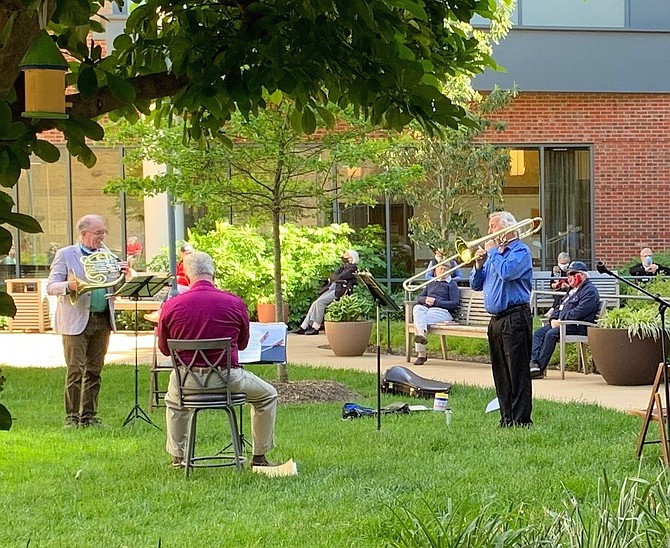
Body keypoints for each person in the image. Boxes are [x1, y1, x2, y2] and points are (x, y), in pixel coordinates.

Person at [157, 251, 278, 468]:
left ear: (186, 273)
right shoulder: (234, 303)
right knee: (268, 395)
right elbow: (241, 344)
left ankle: (178, 457)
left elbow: (165, 349)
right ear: (213, 272)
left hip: (187, 381)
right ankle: (259, 456)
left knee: (174, 400)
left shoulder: (171, 306)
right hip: (227, 379)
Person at [47, 214, 129, 428]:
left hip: (102, 318)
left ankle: (89, 416)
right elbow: (51, 286)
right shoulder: (66, 254)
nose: (102, 237)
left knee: (95, 370)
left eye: (104, 232)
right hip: (76, 319)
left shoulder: (107, 256)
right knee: (76, 370)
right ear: (84, 234)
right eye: (98, 232)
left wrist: (124, 275)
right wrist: (70, 286)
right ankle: (72, 418)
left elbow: (114, 287)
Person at [470, 211, 533, 427]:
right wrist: (478, 265)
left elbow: (507, 272)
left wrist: (492, 253)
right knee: (500, 371)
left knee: (517, 371)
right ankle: (506, 418)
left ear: (509, 228)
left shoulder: (521, 251)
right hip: (495, 320)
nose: (489, 232)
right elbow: (476, 285)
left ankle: (522, 420)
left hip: (515, 316)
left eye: (493, 226)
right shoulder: (494, 255)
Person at [529, 261, 600, 379]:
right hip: (562, 324)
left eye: (573, 274)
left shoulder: (589, 291)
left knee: (550, 335)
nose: (569, 277)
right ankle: (533, 364)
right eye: (568, 274)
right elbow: (559, 306)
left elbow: (580, 312)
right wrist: (553, 318)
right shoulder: (571, 290)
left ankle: (540, 369)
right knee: (538, 334)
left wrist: (561, 320)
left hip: (577, 326)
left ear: (582, 275)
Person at [293, 249, 359, 335]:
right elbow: (333, 275)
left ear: (351, 257)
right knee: (315, 303)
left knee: (320, 303)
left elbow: (339, 277)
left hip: (340, 290)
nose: (343, 256)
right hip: (332, 288)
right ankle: (304, 326)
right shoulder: (344, 266)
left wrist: (334, 277)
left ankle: (315, 327)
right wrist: (334, 277)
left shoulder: (353, 268)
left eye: (346, 254)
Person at [412, 263, 460, 365]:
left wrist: (436, 302)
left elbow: (454, 304)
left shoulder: (452, 284)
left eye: (445, 269)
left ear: (449, 271)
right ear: (435, 271)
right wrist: (425, 299)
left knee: (419, 321)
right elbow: (419, 297)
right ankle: (421, 334)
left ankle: (421, 354)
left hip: (443, 312)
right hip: (427, 309)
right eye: (440, 269)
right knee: (417, 308)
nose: (442, 271)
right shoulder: (431, 283)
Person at [546, 251, 571, 317]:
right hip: (558, 291)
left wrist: (567, 286)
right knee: (559, 295)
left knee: (561, 295)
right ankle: (556, 313)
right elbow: (551, 284)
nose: (563, 266)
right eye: (562, 264)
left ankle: (552, 311)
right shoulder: (555, 269)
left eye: (565, 264)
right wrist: (555, 285)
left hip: (569, 291)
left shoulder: (571, 270)